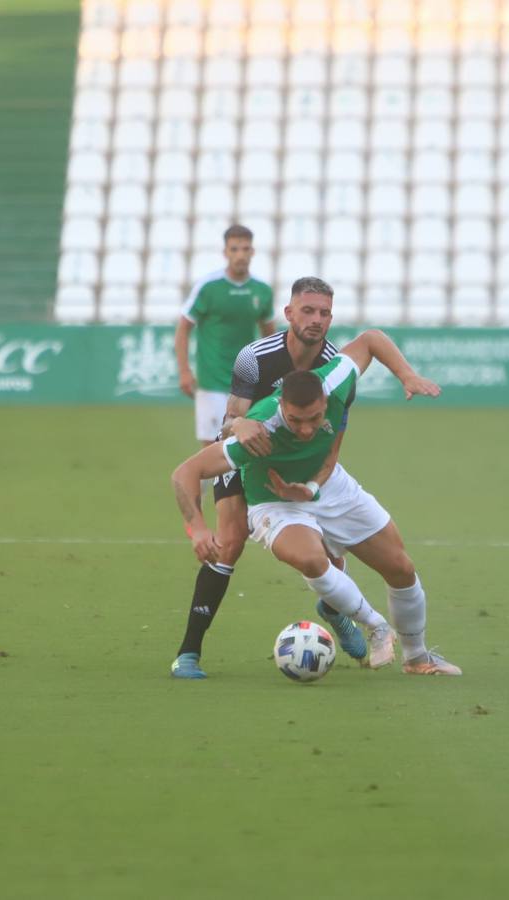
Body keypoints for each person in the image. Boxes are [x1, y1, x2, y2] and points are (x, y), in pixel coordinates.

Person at [171, 331, 461, 677]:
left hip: (329, 485)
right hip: (273, 501)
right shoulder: (262, 427)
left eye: (314, 418)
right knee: (312, 559)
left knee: (401, 568)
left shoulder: (337, 377)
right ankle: (376, 626)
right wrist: (198, 528)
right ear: (282, 408)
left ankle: (417, 659)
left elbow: (371, 340)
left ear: (325, 398)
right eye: (296, 421)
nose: (307, 429)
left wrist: (407, 375)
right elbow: (185, 473)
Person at [174, 224, 276, 449]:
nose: (240, 255)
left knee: (245, 444)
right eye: (235, 249)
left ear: (253, 252)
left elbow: (270, 335)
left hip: (247, 382)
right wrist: (184, 370)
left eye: (245, 249)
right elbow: (183, 327)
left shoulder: (262, 291)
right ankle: (199, 484)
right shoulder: (209, 287)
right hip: (212, 381)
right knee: (212, 446)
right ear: (225, 253)